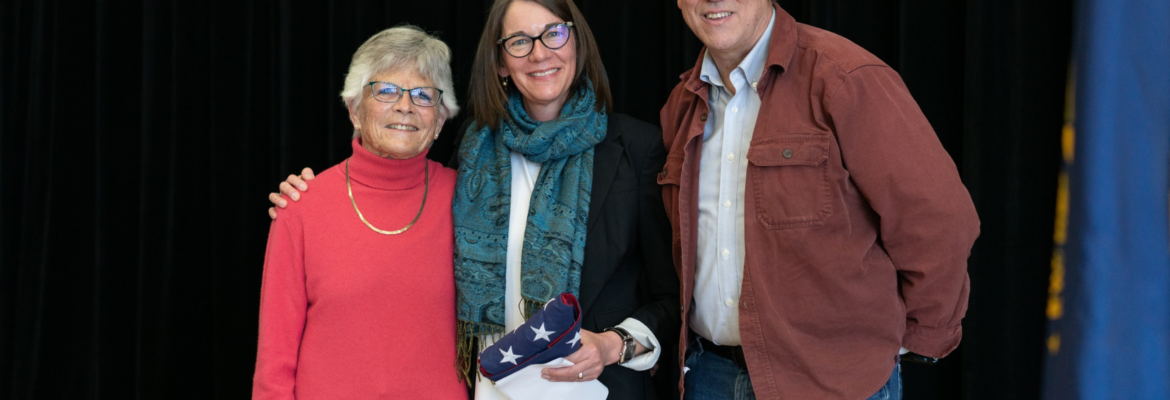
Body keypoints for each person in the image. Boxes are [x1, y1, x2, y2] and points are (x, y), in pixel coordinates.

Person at [268, 1, 681, 398]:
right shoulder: (474, 157)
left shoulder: (635, 149)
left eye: (553, 34)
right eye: (519, 41)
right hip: (491, 391)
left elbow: (674, 297)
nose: (539, 54)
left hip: (597, 390)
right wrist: (309, 200)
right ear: (500, 62)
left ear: (577, 42)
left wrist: (614, 345)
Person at [660, 1, 981, 399]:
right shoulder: (682, 103)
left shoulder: (844, 76)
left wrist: (913, 336)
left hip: (833, 382)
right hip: (708, 375)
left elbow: (938, 220)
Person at [253, 26, 466, 399]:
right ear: (354, 109)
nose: (405, 106)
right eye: (385, 91)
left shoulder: (469, 199)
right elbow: (275, 360)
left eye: (423, 95)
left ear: (440, 121)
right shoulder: (302, 206)